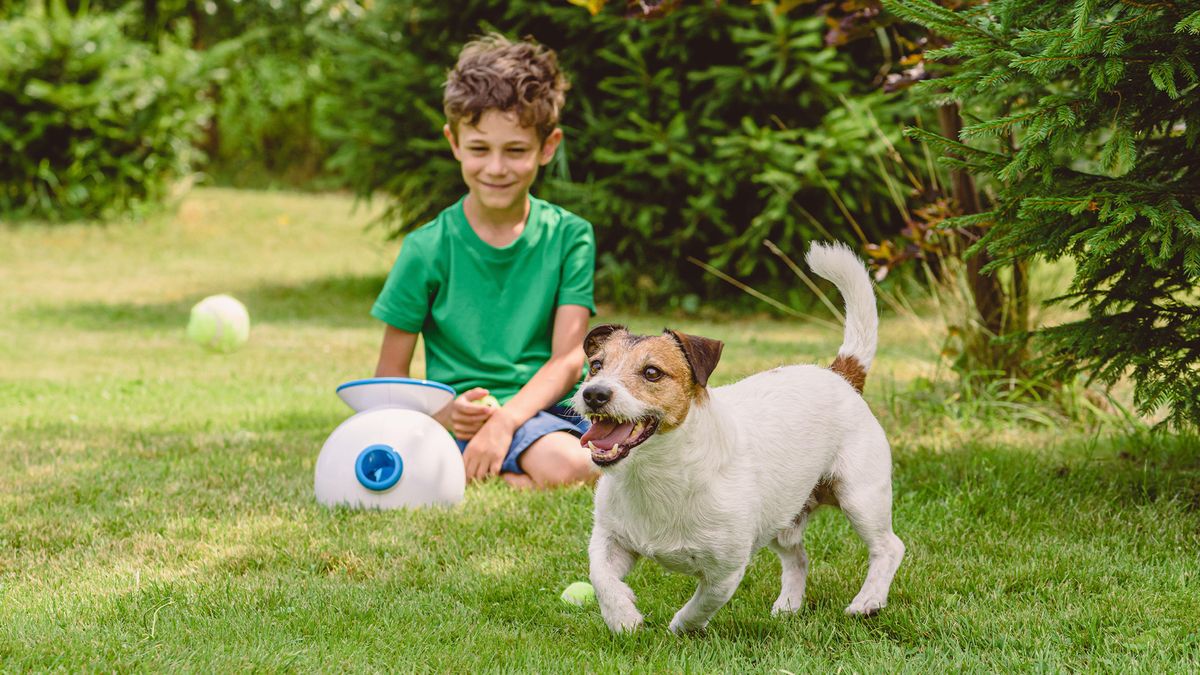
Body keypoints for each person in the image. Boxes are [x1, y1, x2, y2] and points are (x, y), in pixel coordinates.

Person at [371, 33, 596, 490]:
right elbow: (388, 376)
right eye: (479, 149)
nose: (495, 168)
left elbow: (569, 360)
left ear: (548, 146)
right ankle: (480, 467)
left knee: (578, 464)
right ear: (454, 142)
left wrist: (506, 422)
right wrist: (446, 412)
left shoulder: (571, 236)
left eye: (515, 150)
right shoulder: (426, 247)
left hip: (544, 410)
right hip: (460, 417)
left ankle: (476, 471)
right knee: (569, 467)